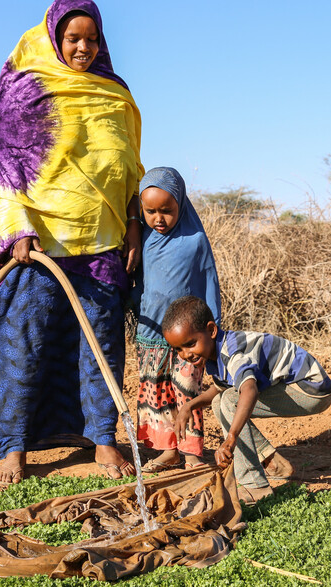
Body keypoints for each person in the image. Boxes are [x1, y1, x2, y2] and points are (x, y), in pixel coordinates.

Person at [0, 0, 144, 485]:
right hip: (39, 244)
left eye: (92, 39)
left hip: (103, 241)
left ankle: (103, 439)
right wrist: (17, 229)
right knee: (24, 343)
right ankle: (14, 446)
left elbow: (130, 166)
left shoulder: (114, 93)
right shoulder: (26, 88)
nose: (84, 48)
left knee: (101, 345)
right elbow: (4, 164)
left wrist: (132, 221)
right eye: (74, 39)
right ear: (55, 38)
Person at [164, 296, 331, 504]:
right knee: (221, 400)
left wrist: (231, 438)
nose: (186, 354)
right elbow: (218, 389)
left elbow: (249, 390)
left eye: (190, 344)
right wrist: (189, 406)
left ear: (211, 330)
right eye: (178, 349)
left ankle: (255, 486)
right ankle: (271, 461)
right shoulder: (216, 351)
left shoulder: (233, 352)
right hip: (303, 387)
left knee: (229, 401)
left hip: (311, 389)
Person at [130, 167, 221, 473]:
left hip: (188, 338)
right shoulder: (144, 240)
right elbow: (140, 285)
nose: (158, 218)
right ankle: (168, 449)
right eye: (150, 211)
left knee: (187, 391)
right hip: (151, 331)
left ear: (181, 203)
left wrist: (215, 328)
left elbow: (210, 280)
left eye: (166, 211)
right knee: (157, 392)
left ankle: (192, 452)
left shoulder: (195, 241)